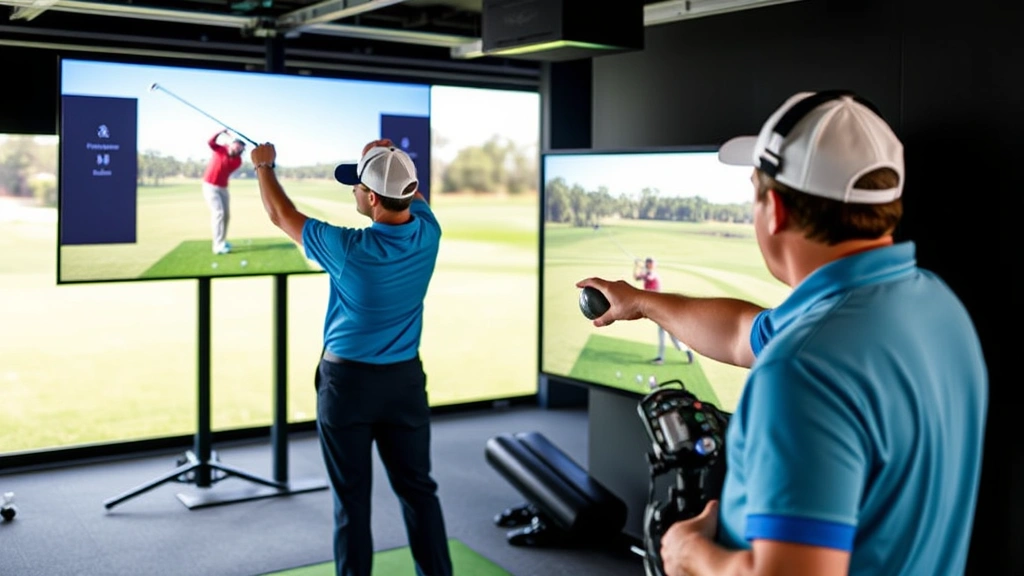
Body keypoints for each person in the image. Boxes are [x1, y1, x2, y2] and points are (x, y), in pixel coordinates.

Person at [576, 91, 987, 576]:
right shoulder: (935, 305)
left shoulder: (803, 369)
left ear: (775, 210)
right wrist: (642, 302)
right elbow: (738, 332)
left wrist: (690, 554)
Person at [250, 138, 453, 576]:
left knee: (351, 502)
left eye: (358, 186)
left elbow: (280, 215)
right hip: (404, 385)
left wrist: (264, 166)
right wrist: (388, 158)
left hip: (348, 390)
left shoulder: (347, 250)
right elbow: (411, 192)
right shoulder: (428, 232)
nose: (354, 192)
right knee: (419, 491)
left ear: (373, 199)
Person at [633, 256, 694, 365]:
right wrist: (636, 267)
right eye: (648, 263)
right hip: (657, 310)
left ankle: (685, 351)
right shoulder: (647, 273)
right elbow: (636, 277)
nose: (649, 265)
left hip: (663, 310)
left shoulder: (653, 275)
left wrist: (642, 267)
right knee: (664, 334)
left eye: (650, 263)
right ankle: (662, 357)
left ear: (653, 265)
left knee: (673, 338)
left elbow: (649, 276)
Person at [202, 129, 245, 254]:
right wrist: (221, 132)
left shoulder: (237, 161)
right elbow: (210, 142)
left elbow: (226, 162)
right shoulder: (220, 149)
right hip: (210, 186)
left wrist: (228, 143)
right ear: (232, 144)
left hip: (223, 188)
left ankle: (222, 241)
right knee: (219, 213)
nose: (237, 149)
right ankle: (217, 245)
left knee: (226, 216)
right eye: (236, 146)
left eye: (239, 148)